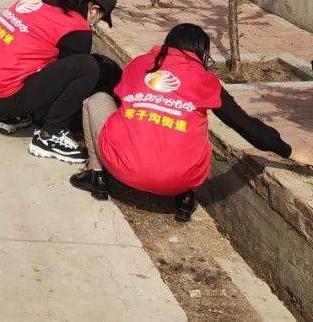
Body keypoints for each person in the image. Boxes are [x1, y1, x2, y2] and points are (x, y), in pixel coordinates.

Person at [73, 23, 313, 219]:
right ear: (202, 52)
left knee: (96, 101)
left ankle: (98, 177)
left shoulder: (139, 65)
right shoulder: (207, 81)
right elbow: (245, 126)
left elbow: (120, 105)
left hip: (121, 168)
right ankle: (185, 199)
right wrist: (289, 151)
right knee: (192, 123)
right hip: (180, 178)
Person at [0, 0, 118, 164]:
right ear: (93, 9)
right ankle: (50, 135)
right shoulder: (76, 30)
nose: (94, 23)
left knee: (37, 52)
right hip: (4, 97)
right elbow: (64, 83)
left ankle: (14, 117)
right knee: (87, 67)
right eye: (99, 18)